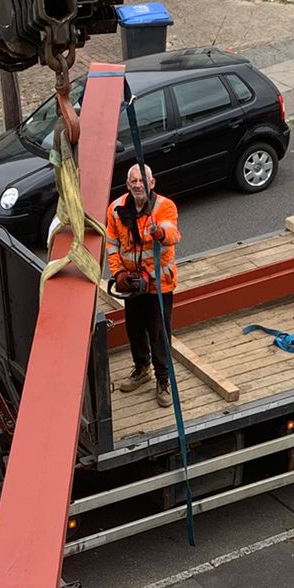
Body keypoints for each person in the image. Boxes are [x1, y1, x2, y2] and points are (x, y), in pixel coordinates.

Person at [106, 163, 180, 409]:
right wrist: (118, 273)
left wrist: (158, 233)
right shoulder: (116, 209)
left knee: (159, 335)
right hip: (132, 284)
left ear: (152, 183)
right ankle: (141, 368)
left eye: (142, 181)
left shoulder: (164, 207)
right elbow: (113, 244)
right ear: (128, 185)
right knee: (134, 329)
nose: (138, 185)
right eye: (133, 181)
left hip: (158, 285)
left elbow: (171, 235)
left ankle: (163, 380)